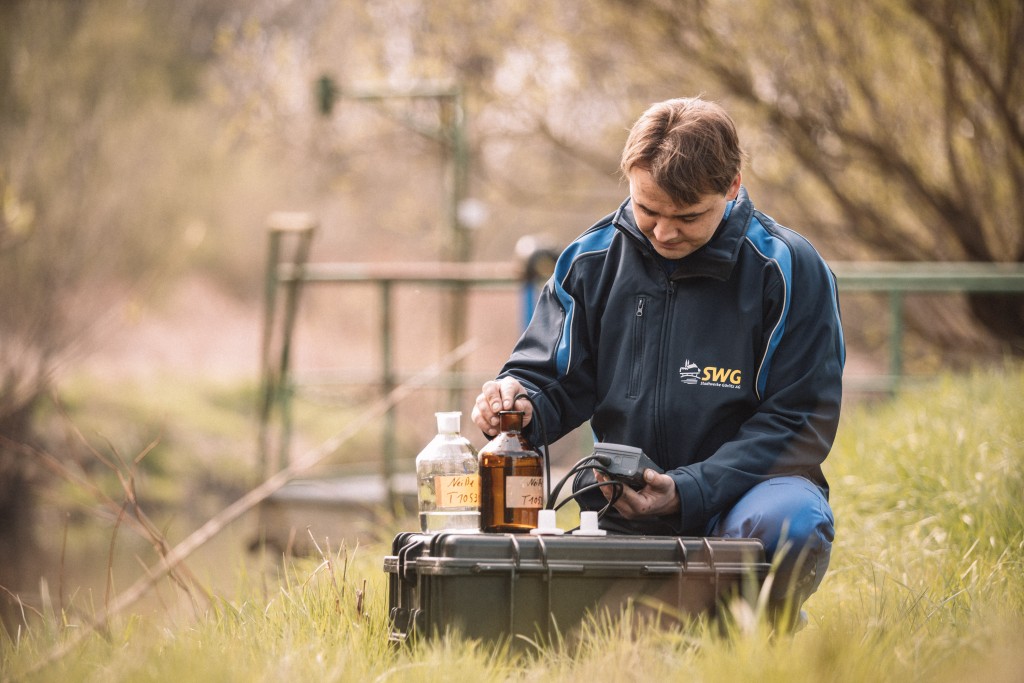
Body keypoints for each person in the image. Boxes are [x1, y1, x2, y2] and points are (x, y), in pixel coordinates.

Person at [471, 97, 845, 629]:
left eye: (688, 216)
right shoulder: (589, 260)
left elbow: (800, 421)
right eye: (648, 210)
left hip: (740, 499)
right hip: (621, 501)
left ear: (733, 186)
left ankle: (758, 630)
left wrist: (689, 490)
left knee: (794, 520)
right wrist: (518, 402)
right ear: (629, 179)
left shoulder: (790, 268)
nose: (664, 233)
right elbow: (550, 378)